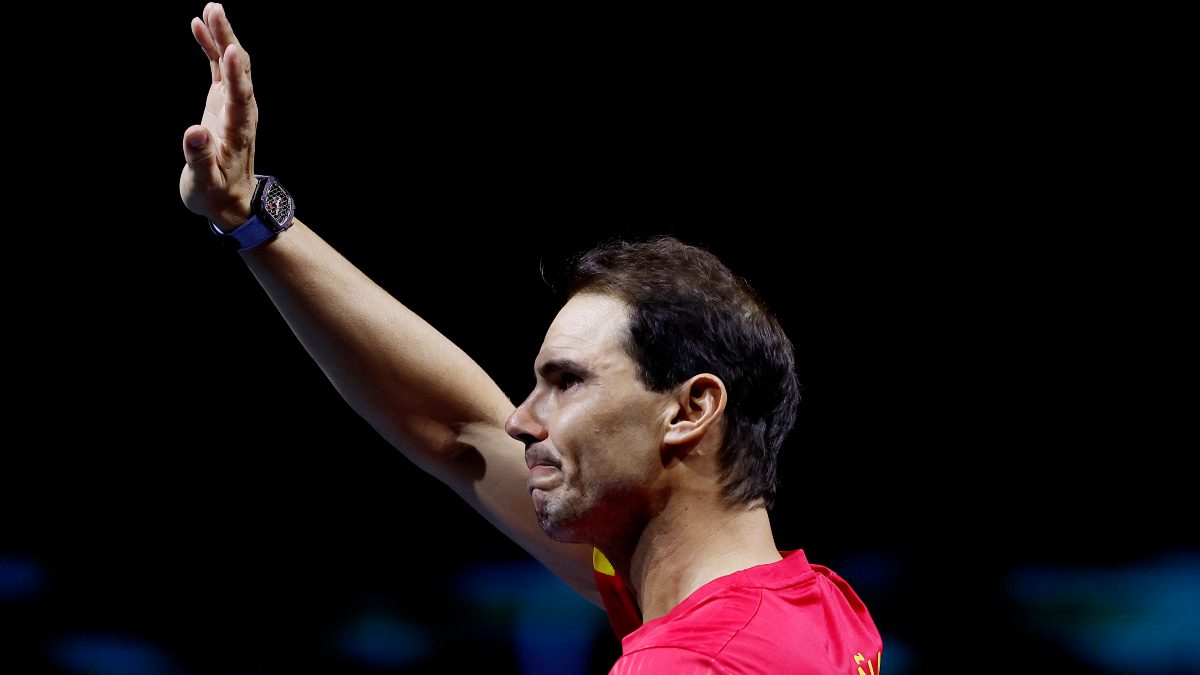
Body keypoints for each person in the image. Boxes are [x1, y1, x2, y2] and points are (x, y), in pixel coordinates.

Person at [179, 4, 882, 672]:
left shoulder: (692, 661)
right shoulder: (819, 605)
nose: (519, 418)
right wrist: (252, 219)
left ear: (691, 408)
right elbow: (457, 431)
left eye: (568, 380)